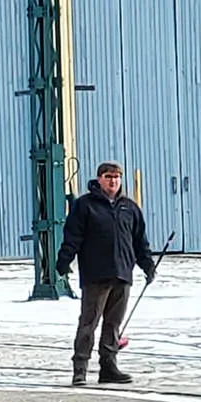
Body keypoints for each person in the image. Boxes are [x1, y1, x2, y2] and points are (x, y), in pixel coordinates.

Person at [56, 161, 159, 387]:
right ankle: (80, 369)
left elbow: (140, 241)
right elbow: (73, 237)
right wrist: (64, 260)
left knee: (113, 324)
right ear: (99, 179)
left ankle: (109, 367)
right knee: (88, 323)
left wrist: (147, 265)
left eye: (116, 177)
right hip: (96, 274)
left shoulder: (129, 208)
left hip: (122, 274)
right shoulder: (84, 206)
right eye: (108, 176)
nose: (112, 181)